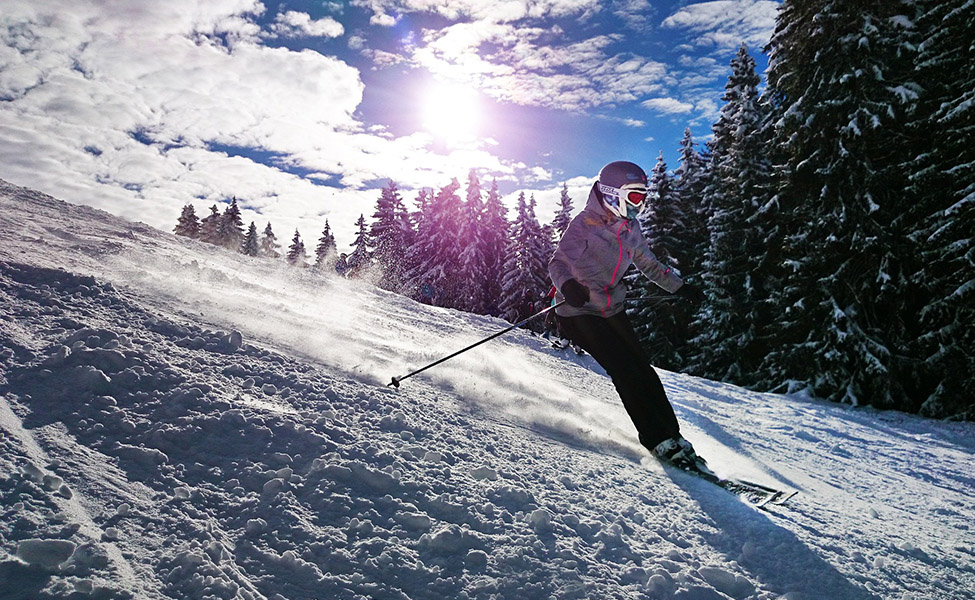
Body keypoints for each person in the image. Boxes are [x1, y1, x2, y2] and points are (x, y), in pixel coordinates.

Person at [548, 160, 704, 468]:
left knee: (643, 370)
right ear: (611, 193)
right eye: (634, 197)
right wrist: (568, 285)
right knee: (625, 369)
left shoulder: (631, 228)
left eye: (643, 198)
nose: (640, 205)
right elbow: (557, 263)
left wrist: (680, 287)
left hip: (611, 308)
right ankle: (656, 440)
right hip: (578, 310)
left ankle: (674, 436)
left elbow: (648, 264)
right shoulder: (584, 224)